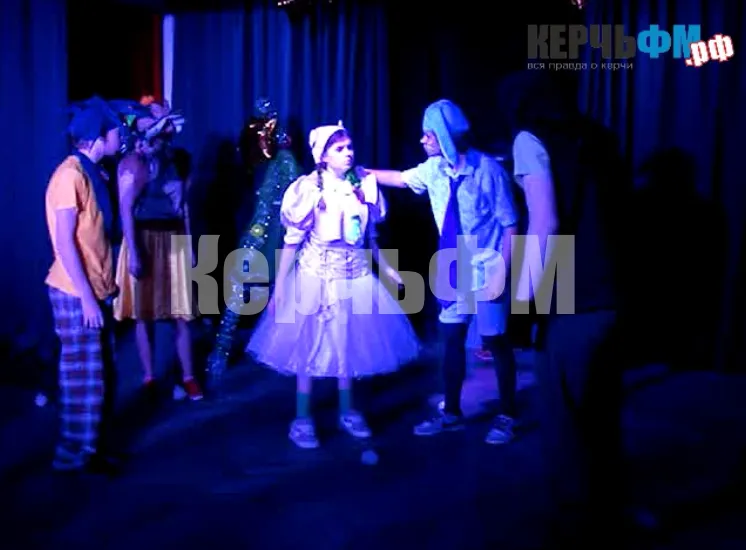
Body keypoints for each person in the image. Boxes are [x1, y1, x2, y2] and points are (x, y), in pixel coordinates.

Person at [507, 72, 629, 541]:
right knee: (603, 415)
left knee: (565, 421)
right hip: (612, 292)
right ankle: (610, 514)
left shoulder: (530, 139)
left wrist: (522, 308)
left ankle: (578, 527)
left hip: (570, 299)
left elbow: (545, 225)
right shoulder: (599, 135)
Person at [247, 122, 420, 449]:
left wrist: (388, 270)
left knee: (347, 345)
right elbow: (291, 242)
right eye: (339, 149)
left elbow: (370, 239)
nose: (348, 153)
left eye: (349, 147)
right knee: (307, 348)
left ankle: (347, 409)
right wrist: (279, 287)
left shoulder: (364, 186)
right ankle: (302, 417)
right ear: (323, 156)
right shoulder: (309, 190)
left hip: (354, 276)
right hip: (317, 276)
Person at [369, 100, 520, 444]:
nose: (422, 140)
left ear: (447, 136)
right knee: (451, 337)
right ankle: (451, 411)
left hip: (487, 265)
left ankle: (508, 413)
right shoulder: (434, 169)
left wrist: (501, 273)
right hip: (453, 265)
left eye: (429, 134)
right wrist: (363, 173)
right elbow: (401, 179)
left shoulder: (487, 171)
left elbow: (511, 223)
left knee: (495, 340)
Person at [45, 97, 122, 474]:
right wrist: (89, 299)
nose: (121, 137)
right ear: (99, 137)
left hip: (94, 288)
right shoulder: (69, 176)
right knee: (81, 377)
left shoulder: (93, 172)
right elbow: (64, 243)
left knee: (99, 375)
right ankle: (73, 454)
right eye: (115, 132)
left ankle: (92, 448)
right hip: (76, 292)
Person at [113, 100, 203, 400]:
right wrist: (134, 252)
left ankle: (188, 376)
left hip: (172, 236)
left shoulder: (178, 160)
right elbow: (125, 209)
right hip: (144, 237)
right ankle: (149, 376)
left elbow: (183, 207)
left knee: (182, 312)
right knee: (144, 313)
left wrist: (188, 245)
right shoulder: (133, 162)